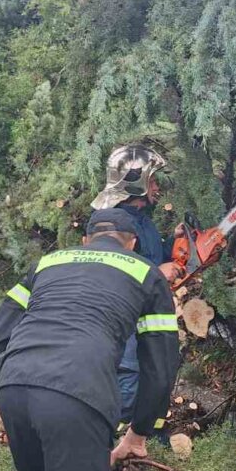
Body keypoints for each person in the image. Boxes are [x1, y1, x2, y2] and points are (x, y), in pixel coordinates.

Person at [0, 208, 181, 471]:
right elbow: (160, 365)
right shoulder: (147, 273)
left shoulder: (47, 263)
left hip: (14, 386)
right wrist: (138, 433)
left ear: (86, 240)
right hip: (77, 394)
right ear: (131, 244)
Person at [90, 144, 181, 430]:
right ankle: (113, 437)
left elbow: (152, 257)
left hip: (145, 311)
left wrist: (175, 242)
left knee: (154, 371)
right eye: (152, 181)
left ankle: (145, 434)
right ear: (136, 183)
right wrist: (157, 272)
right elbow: (109, 268)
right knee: (128, 373)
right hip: (122, 315)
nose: (157, 187)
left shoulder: (143, 221)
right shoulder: (111, 223)